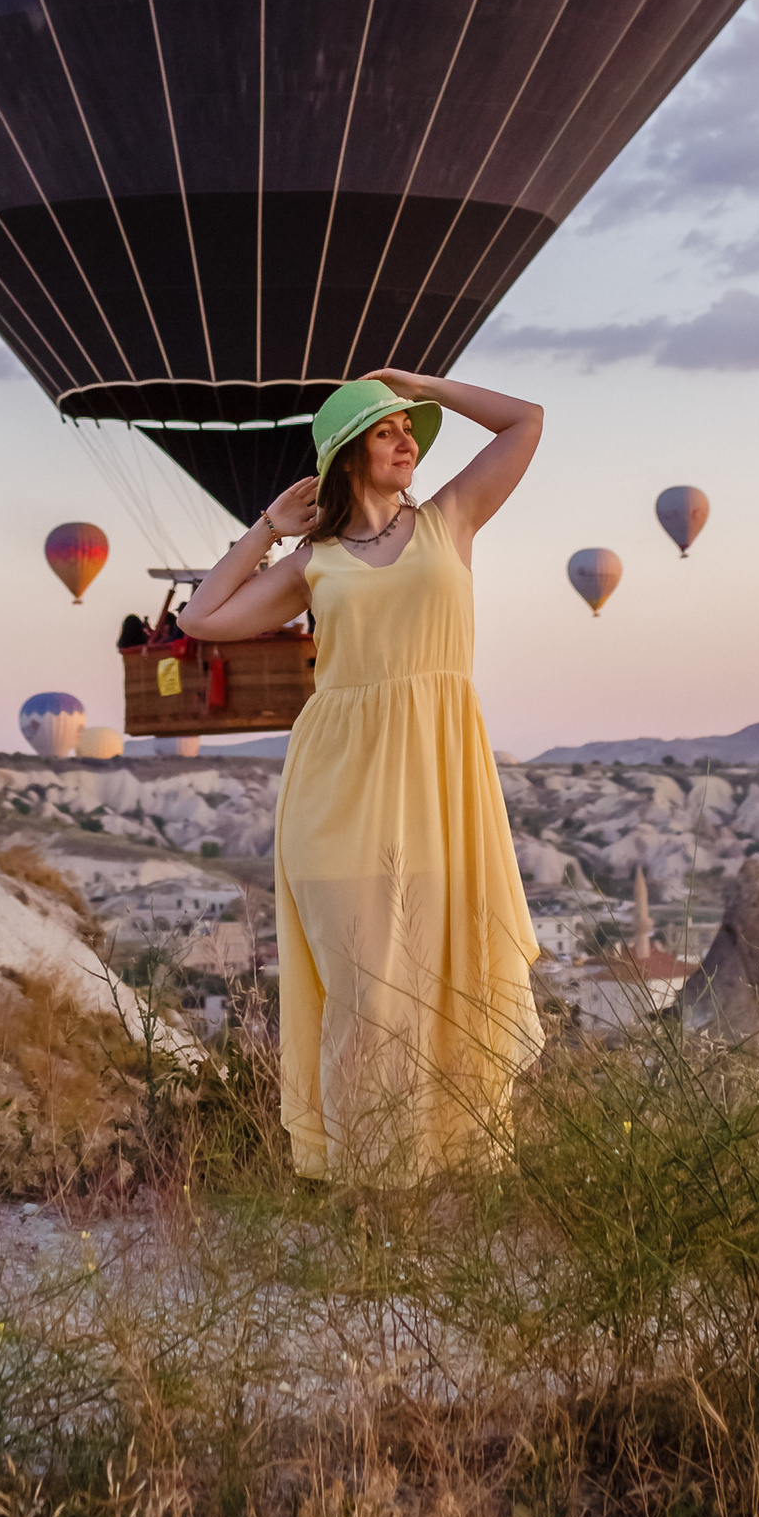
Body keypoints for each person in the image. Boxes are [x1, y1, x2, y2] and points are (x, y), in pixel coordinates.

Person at [185, 367, 545, 1181]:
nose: (406, 440)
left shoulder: (450, 520)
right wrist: (267, 527)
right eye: (387, 430)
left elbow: (526, 422)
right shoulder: (315, 563)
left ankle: (445, 1176)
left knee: (445, 977)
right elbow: (201, 618)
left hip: (441, 784)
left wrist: (422, 386)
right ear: (347, 453)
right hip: (337, 791)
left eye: (408, 430)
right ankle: (366, 1186)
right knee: (365, 993)